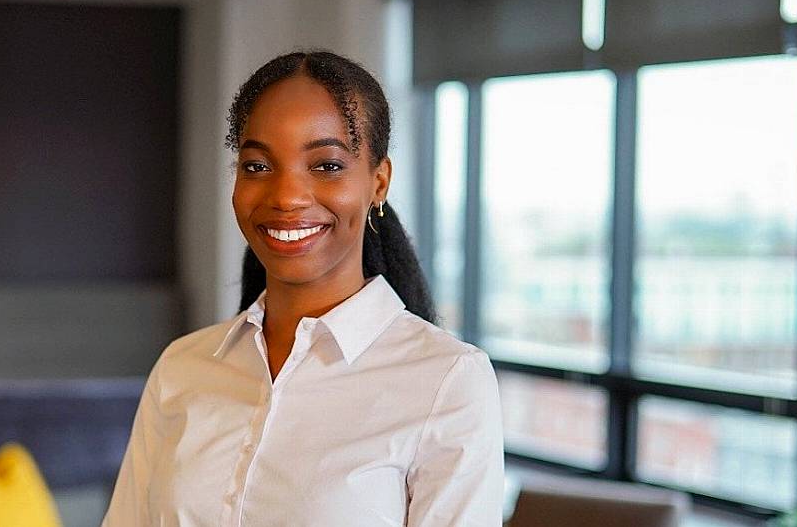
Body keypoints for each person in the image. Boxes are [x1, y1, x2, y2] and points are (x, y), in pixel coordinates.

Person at [102, 50, 503, 526]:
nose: (286, 196)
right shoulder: (182, 369)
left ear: (378, 182)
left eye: (327, 165)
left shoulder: (448, 380)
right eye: (257, 166)